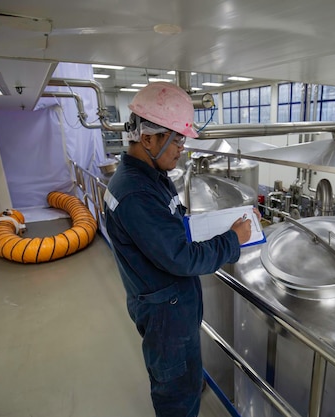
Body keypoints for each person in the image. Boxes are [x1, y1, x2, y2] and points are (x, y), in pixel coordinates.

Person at [103, 82, 254, 417]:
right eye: (177, 139)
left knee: (185, 374)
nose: (182, 148)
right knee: (174, 393)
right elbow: (181, 257)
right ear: (147, 139)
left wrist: (224, 222)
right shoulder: (135, 194)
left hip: (173, 306)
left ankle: (189, 384)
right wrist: (233, 240)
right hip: (165, 315)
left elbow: (176, 225)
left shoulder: (151, 175)